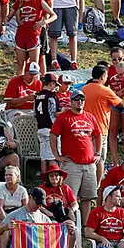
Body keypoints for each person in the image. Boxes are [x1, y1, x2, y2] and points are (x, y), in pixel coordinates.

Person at [50, 91, 102, 221]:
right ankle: (70, 223)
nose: (80, 102)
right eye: (77, 99)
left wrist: (98, 153)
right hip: (72, 163)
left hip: (89, 163)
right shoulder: (63, 117)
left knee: (87, 197)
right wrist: (57, 155)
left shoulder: (90, 117)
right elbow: (53, 135)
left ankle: (85, 225)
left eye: (82, 100)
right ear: (71, 101)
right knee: (69, 196)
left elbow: (98, 134)